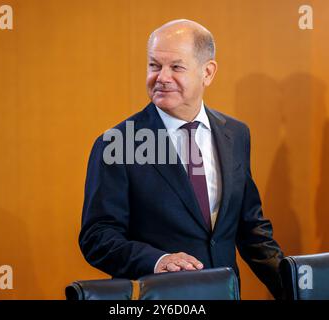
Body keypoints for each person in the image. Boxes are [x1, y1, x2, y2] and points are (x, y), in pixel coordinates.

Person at [79, 19, 284, 299]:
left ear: (207, 72)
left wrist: (298, 286)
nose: (161, 77)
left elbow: (250, 228)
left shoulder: (235, 134)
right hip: (162, 298)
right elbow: (97, 237)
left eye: (176, 67)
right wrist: (157, 260)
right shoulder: (117, 143)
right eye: (154, 65)